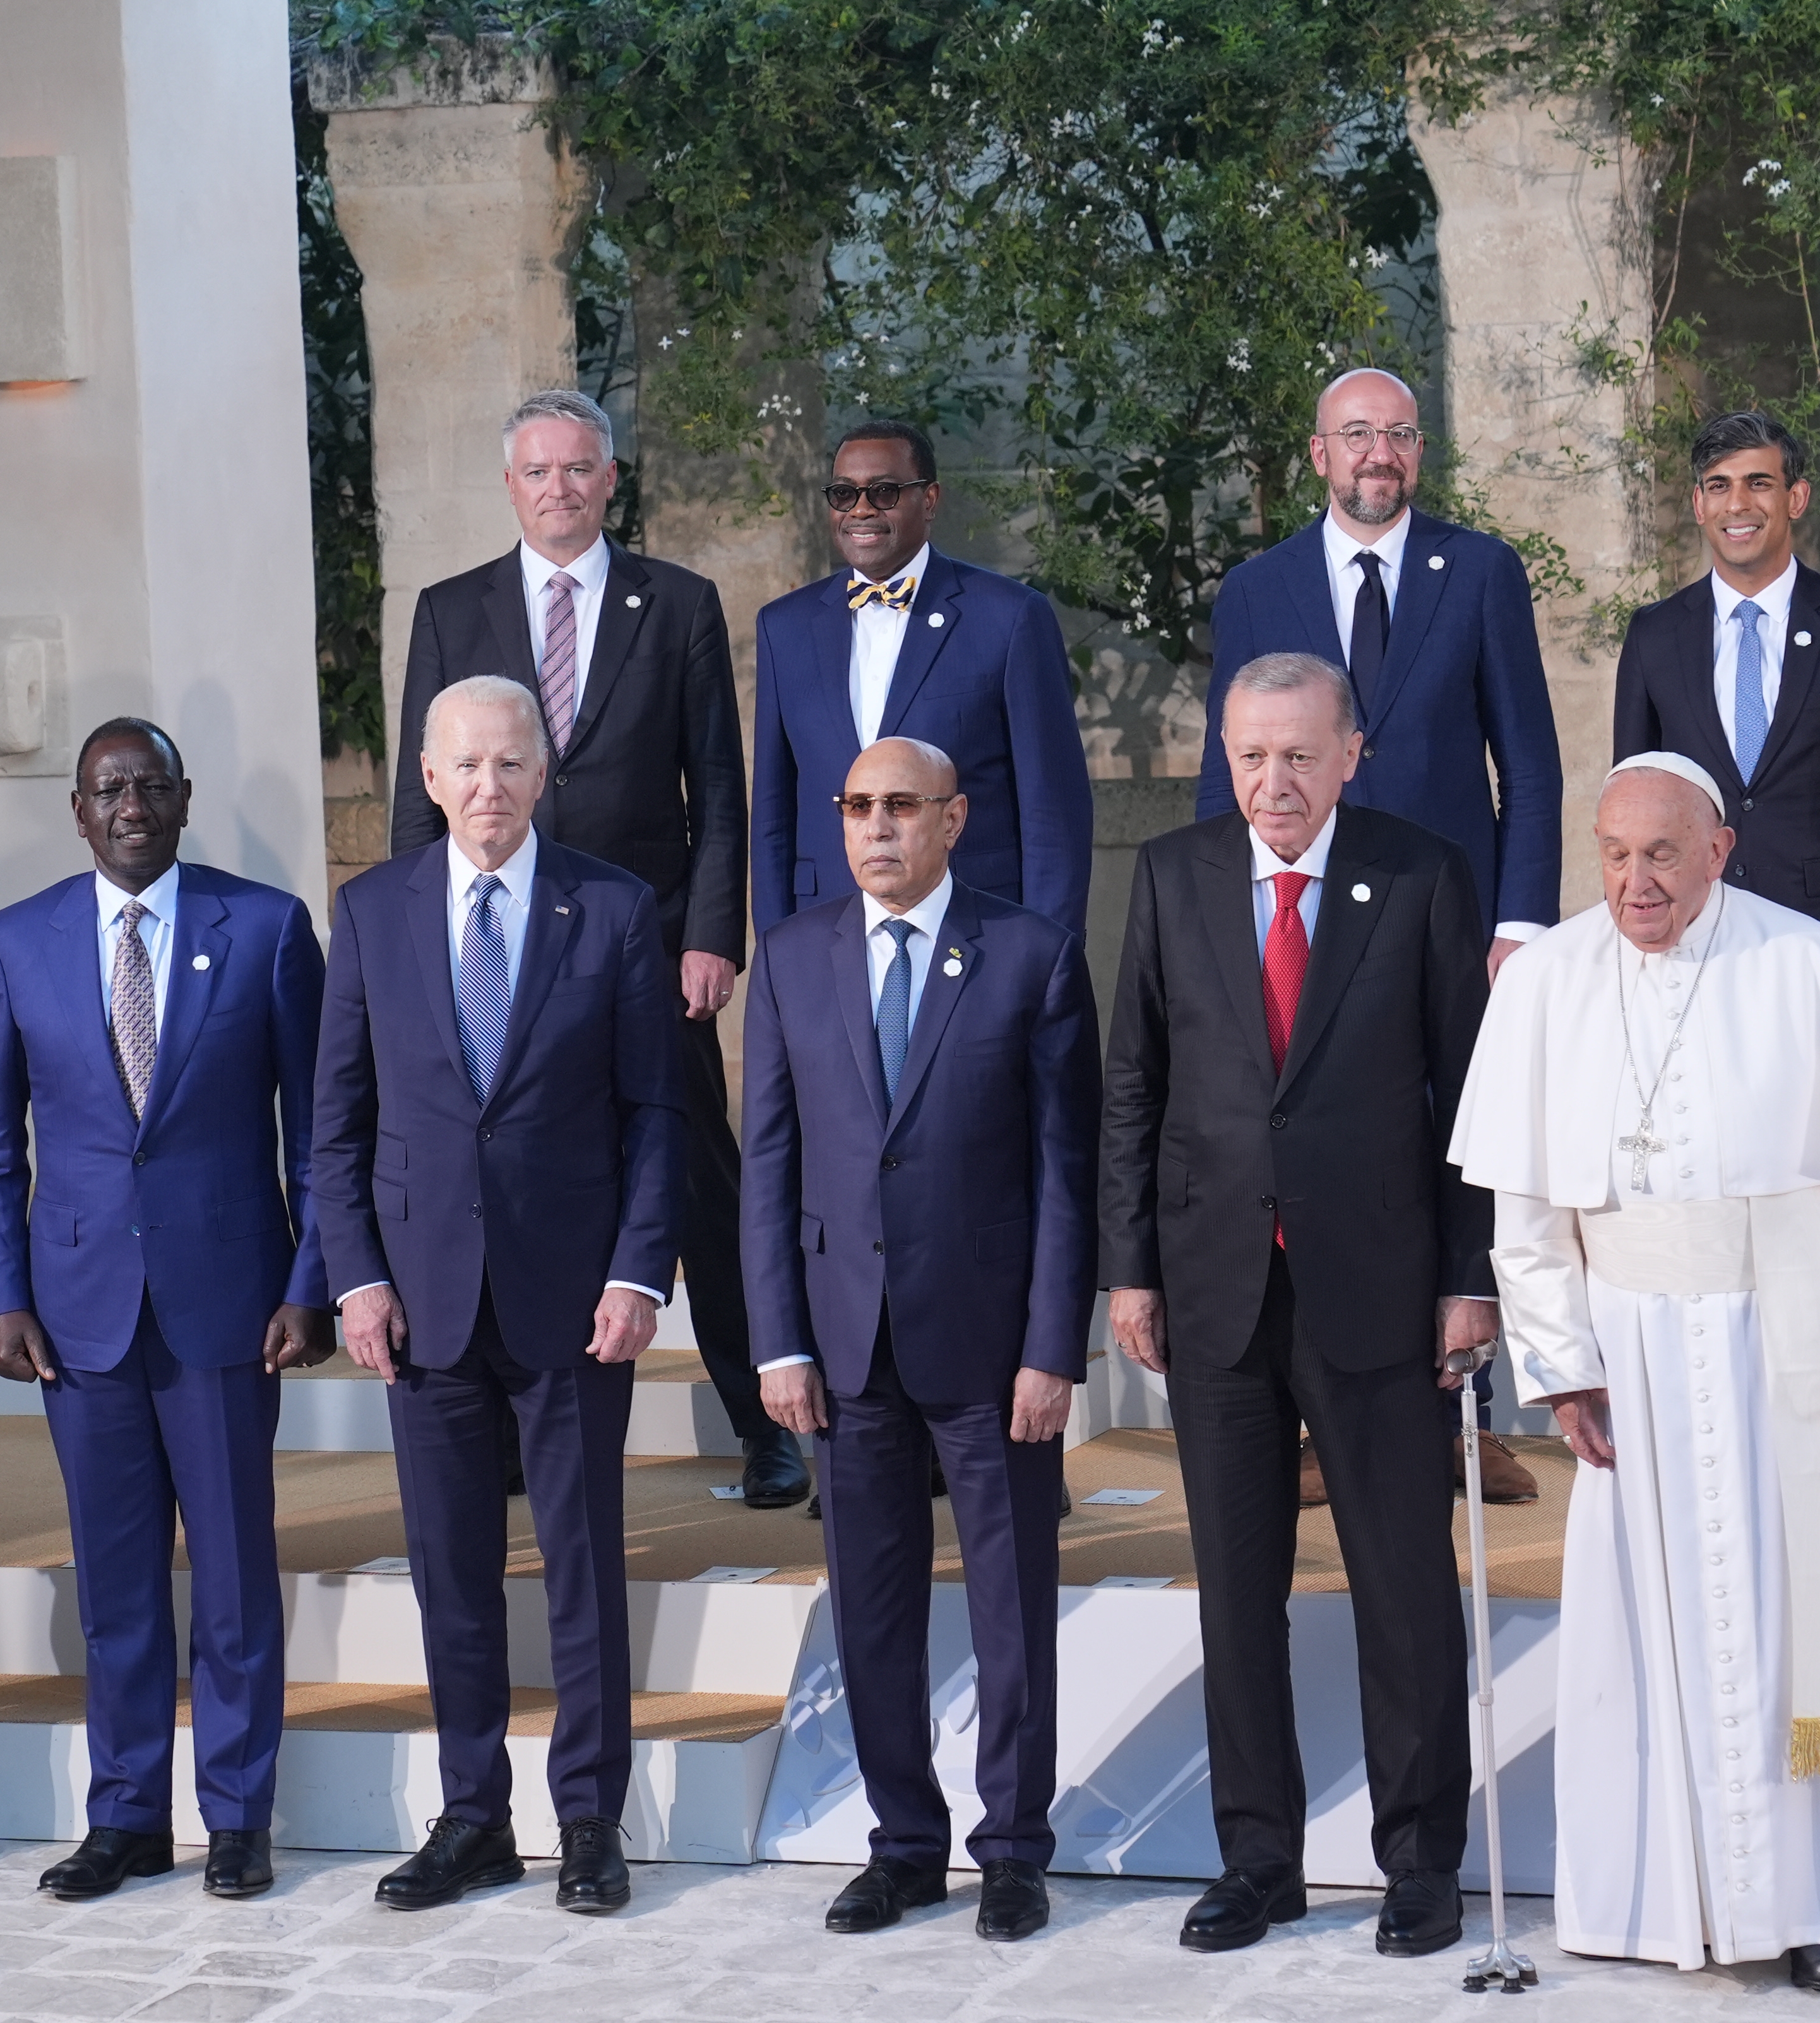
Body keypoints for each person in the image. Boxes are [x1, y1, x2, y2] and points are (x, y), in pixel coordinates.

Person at [1451, 753, 1820, 1993]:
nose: (1634, 881)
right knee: (1654, 1638)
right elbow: (1528, 1211)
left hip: (1795, 1345)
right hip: (1635, 1354)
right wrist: (1562, 1368)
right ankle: (1664, 1898)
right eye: (1612, 854)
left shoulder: (1812, 965)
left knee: (1800, 1624)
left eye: (1661, 853)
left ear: (1721, 849)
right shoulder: (1546, 978)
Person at [1102, 652, 1492, 1958]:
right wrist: (1132, 1266)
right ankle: (1256, 1857)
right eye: (1250, 754)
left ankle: (1421, 1863)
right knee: (1237, 1592)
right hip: (1216, 1290)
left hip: (1379, 1291)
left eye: (1299, 755)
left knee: (1403, 1587)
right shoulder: (1171, 878)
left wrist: (1466, 1275)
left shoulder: (1424, 877)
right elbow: (1134, 1092)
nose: (1273, 781)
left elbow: (1465, 1105)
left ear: (1350, 755)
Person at [312, 677, 685, 1918]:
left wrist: (639, 1269)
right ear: (429, 777)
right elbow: (335, 1127)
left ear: (543, 774)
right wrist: (355, 1277)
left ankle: (588, 1823)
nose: (488, 787)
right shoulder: (370, 912)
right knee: (450, 1572)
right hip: (420, 1307)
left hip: (578, 1299)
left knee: (581, 1568)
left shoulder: (617, 909)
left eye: (510, 765)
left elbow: (655, 1115)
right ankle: (473, 1816)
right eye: (465, 766)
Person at [386, 392, 792, 1510]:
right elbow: (421, 794)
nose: (558, 489)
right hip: (493, 962)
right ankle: (517, 1433)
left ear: (611, 479)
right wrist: (412, 953)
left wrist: (714, 936)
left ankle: (765, 1422)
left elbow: (717, 782)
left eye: (578, 470)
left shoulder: (680, 604)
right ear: (509, 487)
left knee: (701, 1189)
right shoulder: (450, 610)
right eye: (536, 472)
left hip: (651, 953)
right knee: (509, 1179)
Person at [0, 719, 331, 1903]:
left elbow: (316, 1134)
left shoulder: (267, 929)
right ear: (78, 811)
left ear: (183, 799)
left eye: (149, 785)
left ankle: (236, 1816)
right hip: (76, 1319)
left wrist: (309, 1280)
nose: (130, 804)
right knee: (115, 1586)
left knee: (231, 1579)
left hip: (229, 1304)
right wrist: (1, 1294)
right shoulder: (16, 943)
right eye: (107, 789)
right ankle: (124, 1816)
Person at [741, 737, 1101, 1943]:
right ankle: (904, 1845)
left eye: (902, 806)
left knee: (1011, 1610)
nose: (876, 828)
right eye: (857, 807)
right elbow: (769, 1169)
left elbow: (1066, 1174)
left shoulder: (1030, 954)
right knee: (873, 1611)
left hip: (995, 1352)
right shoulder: (791, 959)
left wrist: (1055, 1346)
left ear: (954, 819)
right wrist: (776, 1344)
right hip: (844, 1350)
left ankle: (1012, 1850)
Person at [1196, 367, 1561, 1504]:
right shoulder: (1257, 588)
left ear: (1418, 452)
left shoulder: (1483, 573)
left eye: (1398, 435)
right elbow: (1233, 771)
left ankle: (1470, 1418)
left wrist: (1520, 921)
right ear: (1319, 454)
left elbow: (1532, 763)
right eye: (1356, 435)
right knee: (1319, 1152)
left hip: (1450, 920)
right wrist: (1228, 927)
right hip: (1302, 926)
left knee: (1461, 1149)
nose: (1378, 455)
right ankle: (1317, 1425)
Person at [1613, 409, 1820, 1029]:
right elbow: (1632, 808)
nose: (1738, 503)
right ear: (1698, 504)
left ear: (1795, 497)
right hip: (1691, 942)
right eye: (1718, 485)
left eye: (1758, 483)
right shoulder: (1654, 635)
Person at [751, 418, 1091, 937]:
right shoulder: (784, 626)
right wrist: (777, 954)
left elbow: (1053, 811)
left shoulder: (1010, 616)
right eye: (844, 493)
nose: (860, 509)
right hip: (825, 926)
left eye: (884, 492)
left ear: (929, 500)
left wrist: (1048, 957)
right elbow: (773, 814)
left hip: (979, 927)